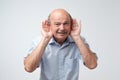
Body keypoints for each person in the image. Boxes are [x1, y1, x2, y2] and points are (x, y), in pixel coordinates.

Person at [24, 8, 98, 80]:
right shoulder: (39, 42)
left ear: (71, 25)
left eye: (66, 23)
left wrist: (77, 37)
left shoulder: (79, 40)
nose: (62, 28)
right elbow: (29, 68)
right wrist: (45, 39)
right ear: (50, 25)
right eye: (57, 24)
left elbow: (92, 65)